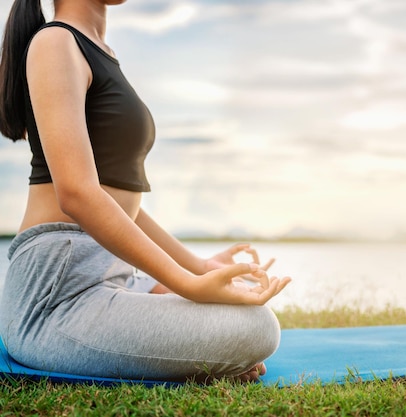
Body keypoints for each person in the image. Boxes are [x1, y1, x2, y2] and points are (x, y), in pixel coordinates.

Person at [0, 0, 291, 383]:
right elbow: (77, 194)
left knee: (244, 315)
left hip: (112, 273)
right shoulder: (55, 42)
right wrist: (188, 285)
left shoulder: (98, 51)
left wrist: (198, 267)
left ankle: (158, 307)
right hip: (57, 293)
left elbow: (120, 202)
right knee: (257, 328)